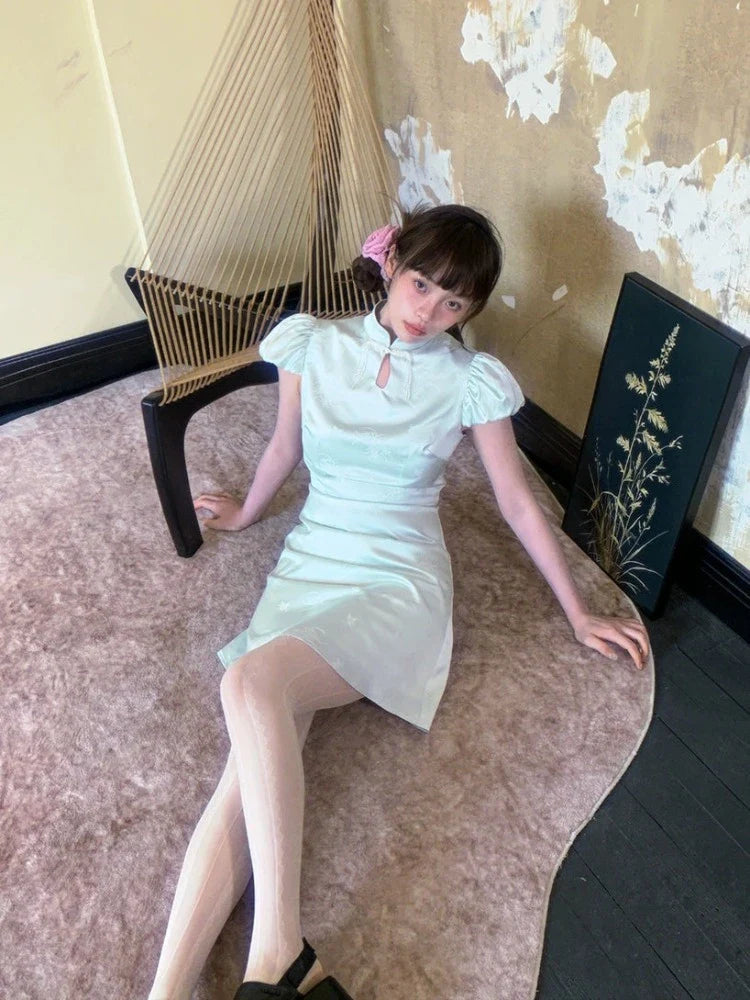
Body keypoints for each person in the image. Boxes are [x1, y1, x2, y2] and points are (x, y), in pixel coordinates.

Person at [147, 204, 650, 1000]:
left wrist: (579, 611)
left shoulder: (468, 381)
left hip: (398, 582)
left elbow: (518, 503)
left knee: (249, 684)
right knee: (245, 766)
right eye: (421, 285)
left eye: (454, 304)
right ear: (390, 265)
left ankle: (277, 951)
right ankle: (175, 991)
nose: (429, 313)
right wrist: (245, 513)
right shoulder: (313, 345)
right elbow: (285, 445)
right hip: (313, 560)